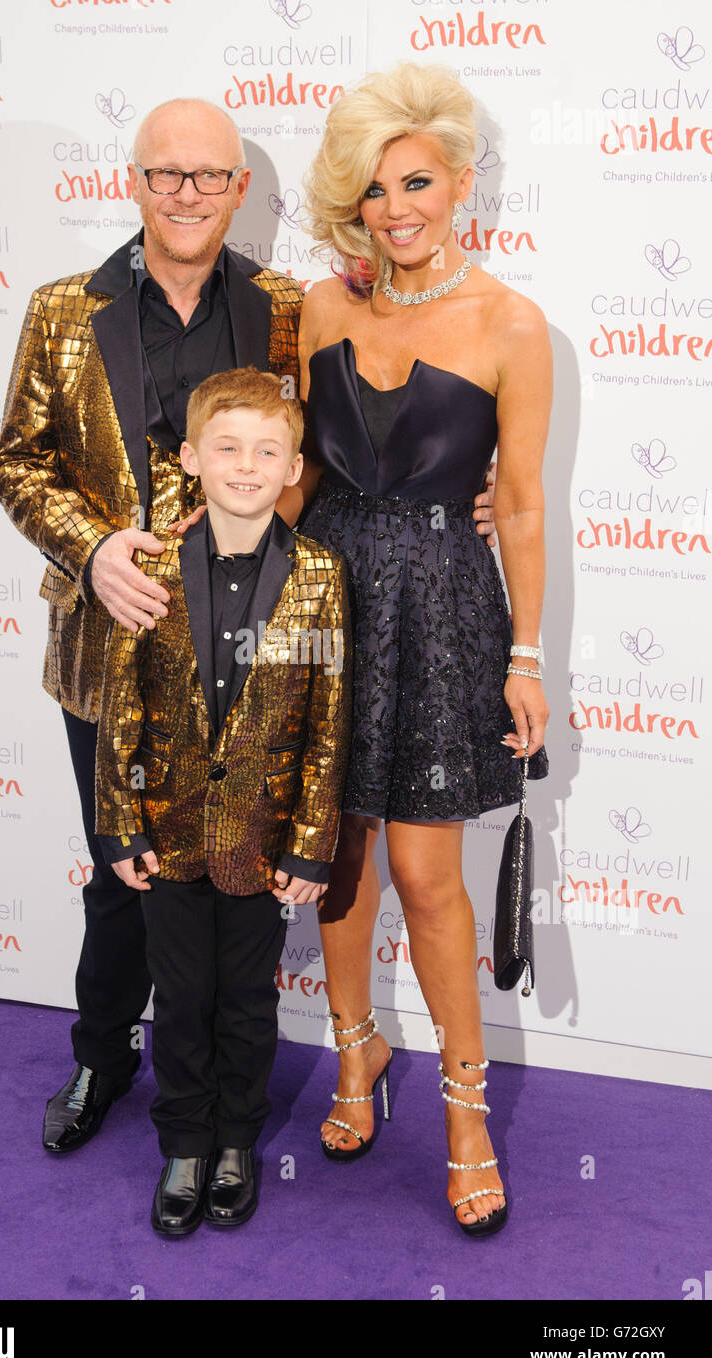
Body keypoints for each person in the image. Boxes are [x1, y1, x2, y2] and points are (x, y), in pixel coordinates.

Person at [0, 95, 496, 1158]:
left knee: (236, 894)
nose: (186, 195)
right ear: (133, 181)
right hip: (111, 644)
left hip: (259, 655)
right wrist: (92, 549)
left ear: (237, 191)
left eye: (209, 177)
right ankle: (100, 1054)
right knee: (121, 874)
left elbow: (346, 437)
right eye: (165, 174)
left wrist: (465, 485)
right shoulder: (59, 311)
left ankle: (224, 1115)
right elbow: (17, 462)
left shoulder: (282, 306)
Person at [291, 62, 551, 1235]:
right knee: (337, 854)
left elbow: (527, 502)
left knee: (425, 875)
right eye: (373, 191)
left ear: (459, 181)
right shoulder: (323, 306)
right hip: (329, 597)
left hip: (446, 609)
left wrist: (528, 655)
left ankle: (463, 1106)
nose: (396, 209)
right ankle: (356, 1052)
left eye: (416, 184)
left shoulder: (511, 322)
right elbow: (293, 471)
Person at [93, 367, 352, 1236]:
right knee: (180, 995)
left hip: (262, 840)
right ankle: (186, 1146)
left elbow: (328, 723)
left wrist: (311, 845)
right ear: (194, 459)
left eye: (267, 450)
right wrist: (121, 822)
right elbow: (121, 705)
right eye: (229, 447)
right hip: (167, 838)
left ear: (292, 467)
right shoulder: (153, 564)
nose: (247, 465)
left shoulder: (320, 574)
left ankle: (238, 1141)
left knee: (247, 1000)